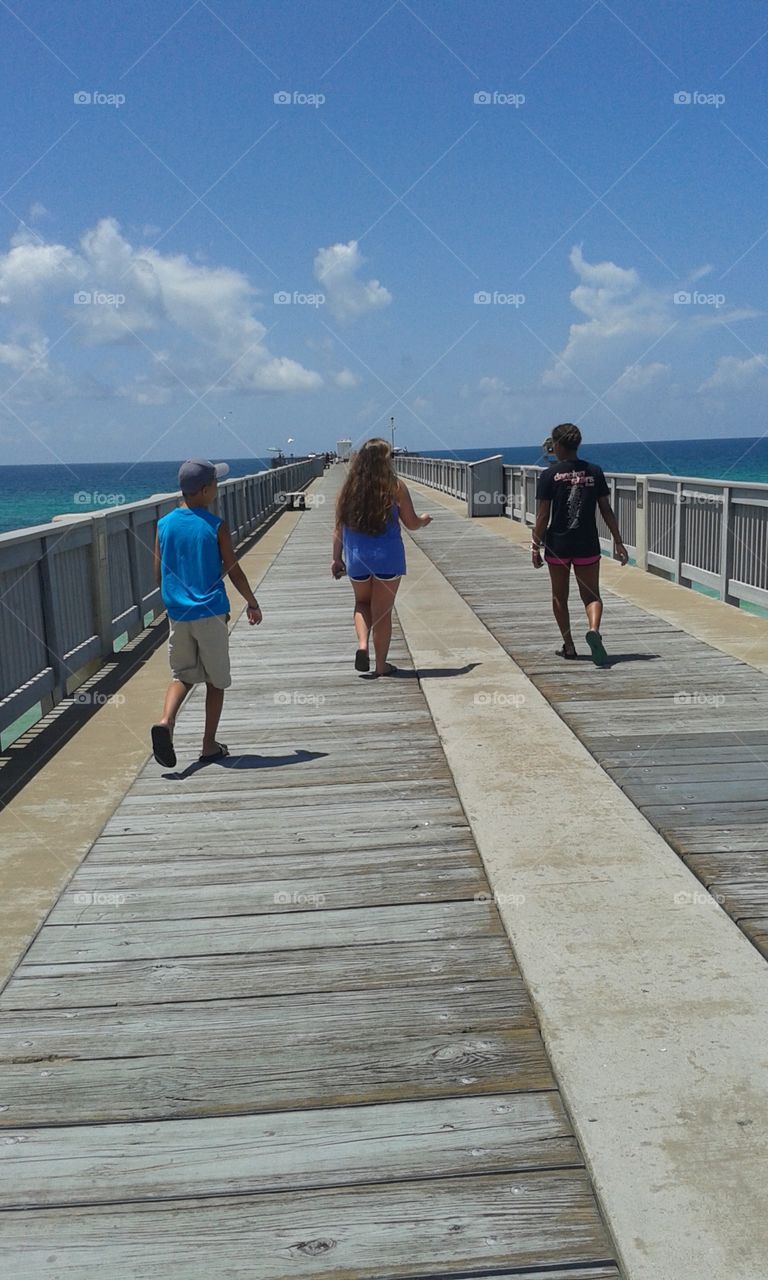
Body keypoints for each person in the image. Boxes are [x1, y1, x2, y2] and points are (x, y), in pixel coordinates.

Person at [151, 458, 263, 767]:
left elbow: (158, 573)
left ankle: (165, 722)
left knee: (182, 676)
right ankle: (208, 744)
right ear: (204, 490)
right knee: (216, 681)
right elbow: (234, 569)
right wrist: (252, 602)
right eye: (215, 483)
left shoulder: (164, 524)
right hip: (211, 613)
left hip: (178, 614)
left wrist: (173, 599)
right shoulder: (216, 526)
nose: (217, 487)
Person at [331, 437, 432, 676]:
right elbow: (411, 522)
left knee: (362, 604)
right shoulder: (395, 487)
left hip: (357, 559)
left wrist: (336, 558)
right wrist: (424, 520)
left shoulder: (348, 489)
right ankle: (380, 666)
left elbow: (338, 528)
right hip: (388, 559)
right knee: (383, 612)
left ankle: (363, 645)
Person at [531, 423, 628, 666]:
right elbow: (606, 509)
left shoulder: (548, 475)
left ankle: (570, 646)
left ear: (557, 445)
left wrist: (535, 544)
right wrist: (618, 541)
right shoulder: (594, 471)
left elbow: (543, 516)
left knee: (559, 596)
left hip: (558, 545)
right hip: (587, 544)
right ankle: (593, 630)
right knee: (591, 595)